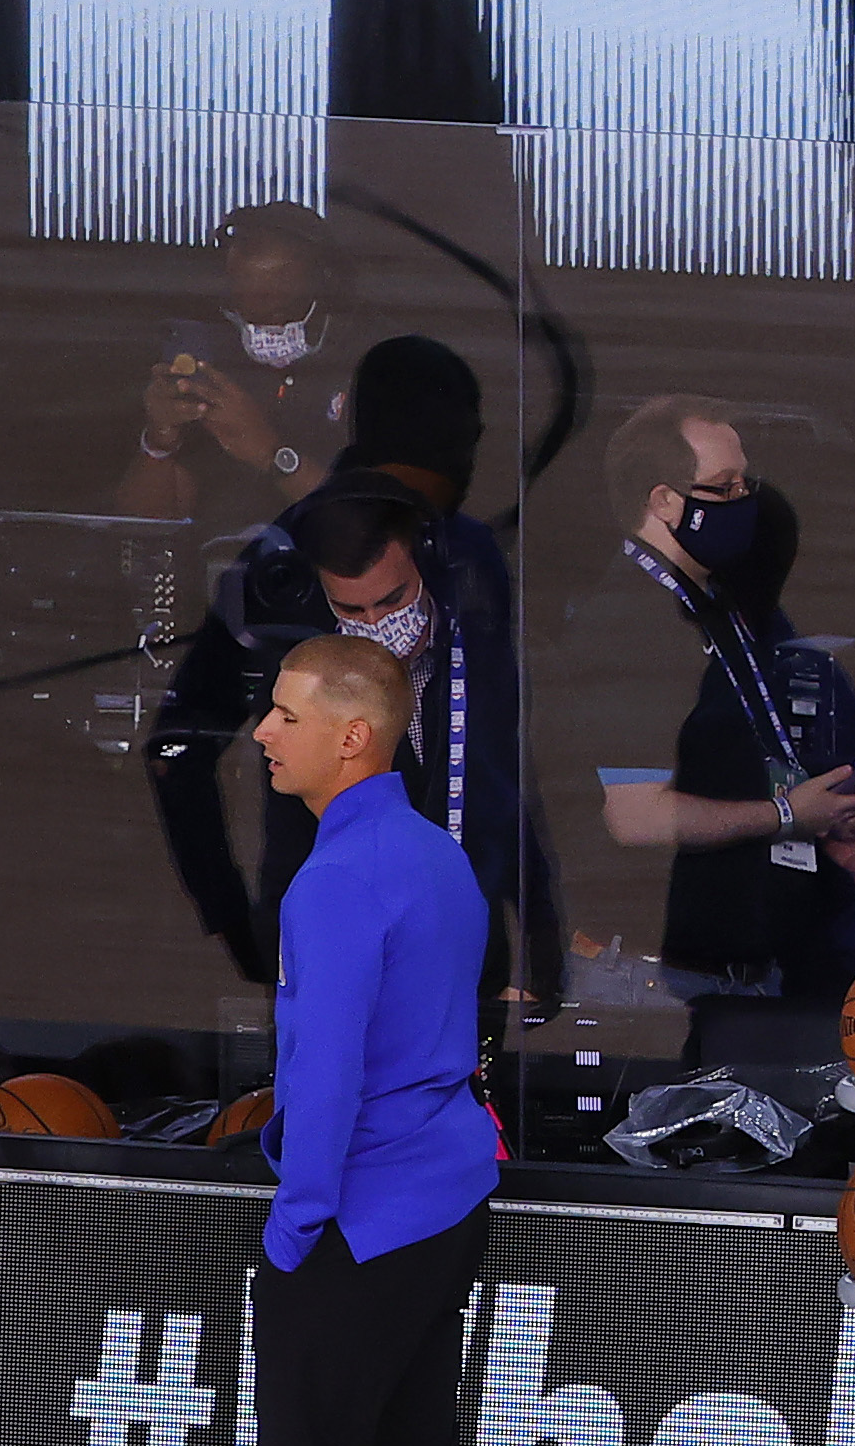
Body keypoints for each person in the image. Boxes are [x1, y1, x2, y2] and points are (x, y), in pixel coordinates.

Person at [241, 632, 502, 1446]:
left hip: (359, 1213)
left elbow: (329, 1077)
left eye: (286, 714)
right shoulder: (438, 857)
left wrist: (293, 1231)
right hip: (443, 1203)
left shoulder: (336, 877)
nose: (263, 732)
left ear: (355, 733)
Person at [148, 333, 563, 1009]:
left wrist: (538, 925)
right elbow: (179, 749)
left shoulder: (469, 559)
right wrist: (240, 927)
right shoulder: (283, 568)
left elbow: (496, 751)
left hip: (459, 944)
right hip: (329, 946)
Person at [588, 394, 855, 1070]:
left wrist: (818, 826)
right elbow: (633, 816)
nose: (742, 501)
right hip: (677, 988)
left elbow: (730, 764)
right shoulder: (630, 623)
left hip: (744, 973)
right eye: (721, 489)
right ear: (663, 501)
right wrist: (786, 814)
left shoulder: (707, 606)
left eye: (745, 484)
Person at [115, 202, 357, 528]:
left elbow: (372, 527)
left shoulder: (368, 361)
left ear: (321, 280)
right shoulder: (209, 365)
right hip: (224, 569)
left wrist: (270, 454)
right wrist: (161, 438)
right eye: (241, 287)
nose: (256, 309)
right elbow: (146, 534)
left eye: (275, 292)